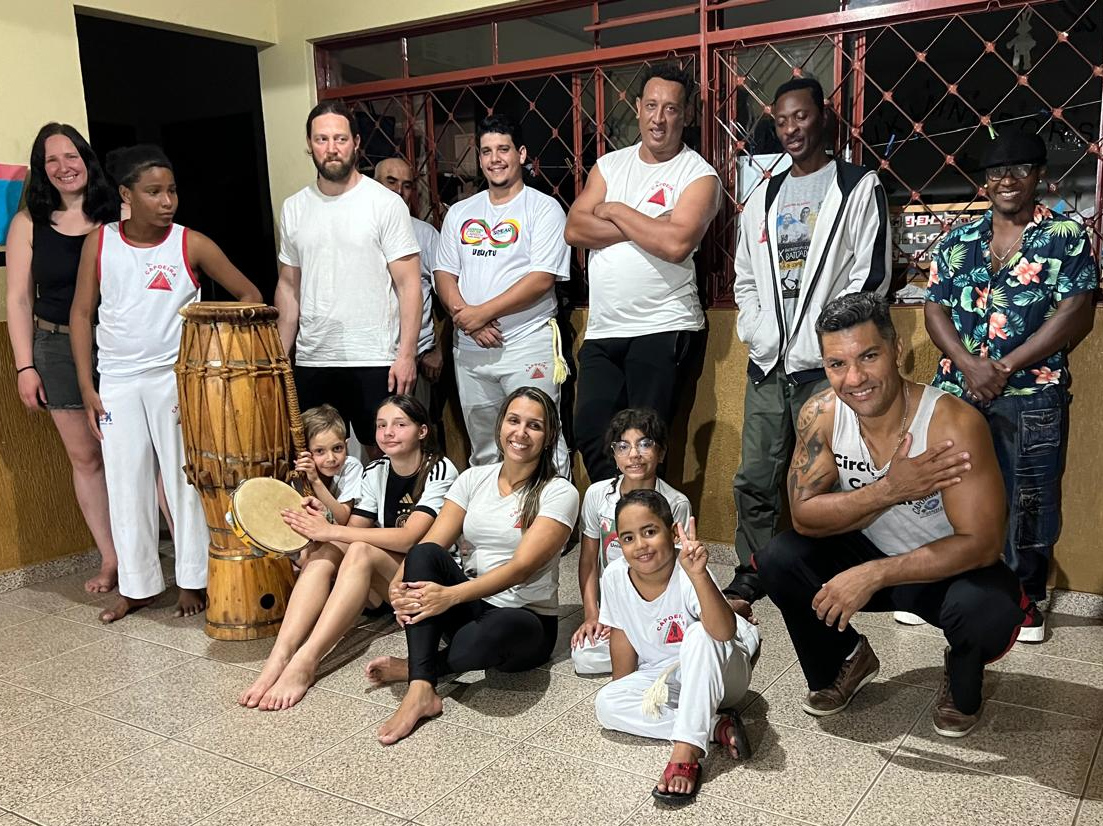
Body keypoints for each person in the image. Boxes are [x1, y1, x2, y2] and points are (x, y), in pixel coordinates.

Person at [757, 293, 1025, 738]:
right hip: (868, 549)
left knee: (988, 610)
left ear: (896, 349)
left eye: (868, 356)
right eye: (837, 364)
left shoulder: (952, 423)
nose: (854, 378)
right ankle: (846, 659)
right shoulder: (820, 414)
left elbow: (981, 544)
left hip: (945, 570)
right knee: (778, 559)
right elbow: (804, 517)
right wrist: (890, 490)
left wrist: (876, 574)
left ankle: (962, 669)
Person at [69, 144, 262, 623]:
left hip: (174, 379)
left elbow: (249, 295)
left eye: (172, 190)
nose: (167, 201)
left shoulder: (190, 243)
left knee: (182, 480)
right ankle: (136, 587)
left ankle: (193, 579)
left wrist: (209, 354)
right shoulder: (100, 243)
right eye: (154, 192)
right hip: (116, 379)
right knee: (125, 481)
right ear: (126, 195)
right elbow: (80, 313)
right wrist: (87, 386)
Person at [924, 130, 1097, 642]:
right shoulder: (959, 239)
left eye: (1020, 169)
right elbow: (934, 307)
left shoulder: (1064, 235)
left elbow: (1076, 311)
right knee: (949, 485)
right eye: (997, 172)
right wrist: (968, 364)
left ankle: (1025, 598)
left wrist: (1003, 366)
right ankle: (946, 585)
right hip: (958, 390)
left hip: (1032, 392)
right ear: (985, 180)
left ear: (1039, 175)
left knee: (1031, 495)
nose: (1007, 180)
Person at [727, 76, 891, 605]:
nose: (791, 129)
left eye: (800, 117)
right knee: (755, 476)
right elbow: (745, 277)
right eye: (781, 121)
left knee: (829, 478)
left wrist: (833, 345)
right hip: (768, 364)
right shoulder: (763, 196)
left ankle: (829, 570)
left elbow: (870, 278)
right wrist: (757, 330)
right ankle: (754, 569)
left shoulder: (858, 186)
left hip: (826, 368)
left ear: (823, 117)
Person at [363, 387, 578, 745]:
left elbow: (521, 569)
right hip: (472, 602)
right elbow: (431, 543)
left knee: (477, 642)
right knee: (423, 555)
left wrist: (449, 596)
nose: (521, 432)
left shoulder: (559, 492)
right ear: (500, 425)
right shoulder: (473, 478)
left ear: (549, 436)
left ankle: (418, 665)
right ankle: (421, 688)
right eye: (513, 420)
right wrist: (397, 586)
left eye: (534, 425)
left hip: (525, 620)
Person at [240, 395, 456, 710]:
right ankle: (280, 657)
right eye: (381, 425)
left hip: (429, 583)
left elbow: (411, 539)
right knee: (332, 547)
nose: (388, 432)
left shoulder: (439, 468)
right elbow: (354, 528)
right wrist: (323, 524)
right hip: (389, 582)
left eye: (400, 424)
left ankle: (306, 661)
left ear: (422, 431)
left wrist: (330, 530)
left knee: (356, 548)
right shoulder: (377, 469)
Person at [565, 63, 720, 482]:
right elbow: (575, 228)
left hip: (663, 326)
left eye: (671, 108)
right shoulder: (610, 166)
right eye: (651, 106)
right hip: (604, 329)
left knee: (645, 443)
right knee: (591, 433)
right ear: (637, 108)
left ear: (686, 114)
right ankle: (619, 513)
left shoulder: (698, 175)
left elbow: (676, 244)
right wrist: (650, 223)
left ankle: (644, 517)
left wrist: (614, 209)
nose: (659, 118)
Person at [5, 123, 120, 593]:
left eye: (70, 156)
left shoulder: (118, 214)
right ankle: (112, 560)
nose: (63, 167)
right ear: (41, 169)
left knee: (143, 452)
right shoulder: (27, 223)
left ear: (86, 159)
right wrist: (24, 366)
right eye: (51, 160)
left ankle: (181, 554)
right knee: (86, 458)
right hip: (55, 348)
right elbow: (18, 299)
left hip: (118, 347)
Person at [593, 491, 758, 805]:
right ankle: (714, 725)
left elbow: (722, 633)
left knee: (698, 634)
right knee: (607, 703)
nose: (640, 545)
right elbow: (621, 633)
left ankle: (686, 751)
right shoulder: (614, 575)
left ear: (672, 532)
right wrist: (626, 690)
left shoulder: (688, 568)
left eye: (649, 531)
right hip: (667, 677)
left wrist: (699, 575)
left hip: (722, 674)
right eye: (628, 538)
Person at [275, 102, 423, 451]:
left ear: (355, 143)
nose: (332, 148)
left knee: (386, 452)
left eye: (340, 139)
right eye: (322, 139)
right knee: (316, 457)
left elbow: (409, 285)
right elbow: (288, 287)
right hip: (314, 357)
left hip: (375, 357)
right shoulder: (294, 207)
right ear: (310, 144)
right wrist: (280, 359)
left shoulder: (385, 203)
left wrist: (406, 355)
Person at [434, 115, 572, 474]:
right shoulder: (460, 212)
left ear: (521, 154)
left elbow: (541, 279)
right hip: (471, 349)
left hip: (526, 343)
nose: (495, 159)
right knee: (485, 448)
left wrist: (481, 314)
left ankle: (551, 511)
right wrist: (469, 319)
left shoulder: (543, 208)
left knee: (542, 440)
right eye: (486, 151)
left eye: (503, 149)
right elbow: (443, 273)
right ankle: (491, 513)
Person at [571, 408, 694, 675]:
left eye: (645, 444)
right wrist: (593, 615)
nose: (634, 454)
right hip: (615, 604)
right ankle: (647, 657)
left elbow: (679, 570)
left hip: (658, 606)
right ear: (614, 455)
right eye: (623, 446)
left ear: (661, 453)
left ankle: (651, 655)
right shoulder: (597, 495)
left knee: (690, 644)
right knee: (584, 656)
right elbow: (589, 561)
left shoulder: (676, 503)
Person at [373, 157, 445, 415]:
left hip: (416, 357)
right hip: (368, 355)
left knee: (412, 431)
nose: (398, 191)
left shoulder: (425, 234)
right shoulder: (359, 229)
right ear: (374, 184)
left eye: (406, 185)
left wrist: (437, 350)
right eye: (391, 182)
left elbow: (447, 298)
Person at [295, 403, 364, 528]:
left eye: (337, 448)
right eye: (320, 451)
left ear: (346, 445)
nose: (331, 458)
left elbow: (342, 519)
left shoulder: (351, 467)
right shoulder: (298, 471)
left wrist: (316, 481)